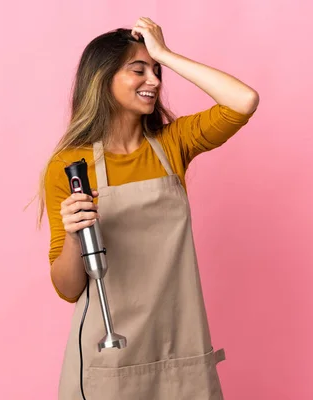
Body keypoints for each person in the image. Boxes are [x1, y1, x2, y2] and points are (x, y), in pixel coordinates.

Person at [38, 17, 259, 400]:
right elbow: (68, 289)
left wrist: (165, 54)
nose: (154, 81)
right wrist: (75, 237)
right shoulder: (70, 167)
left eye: (157, 72)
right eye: (138, 70)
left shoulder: (174, 144)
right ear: (102, 80)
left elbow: (243, 101)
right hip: (110, 351)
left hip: (180, 350)